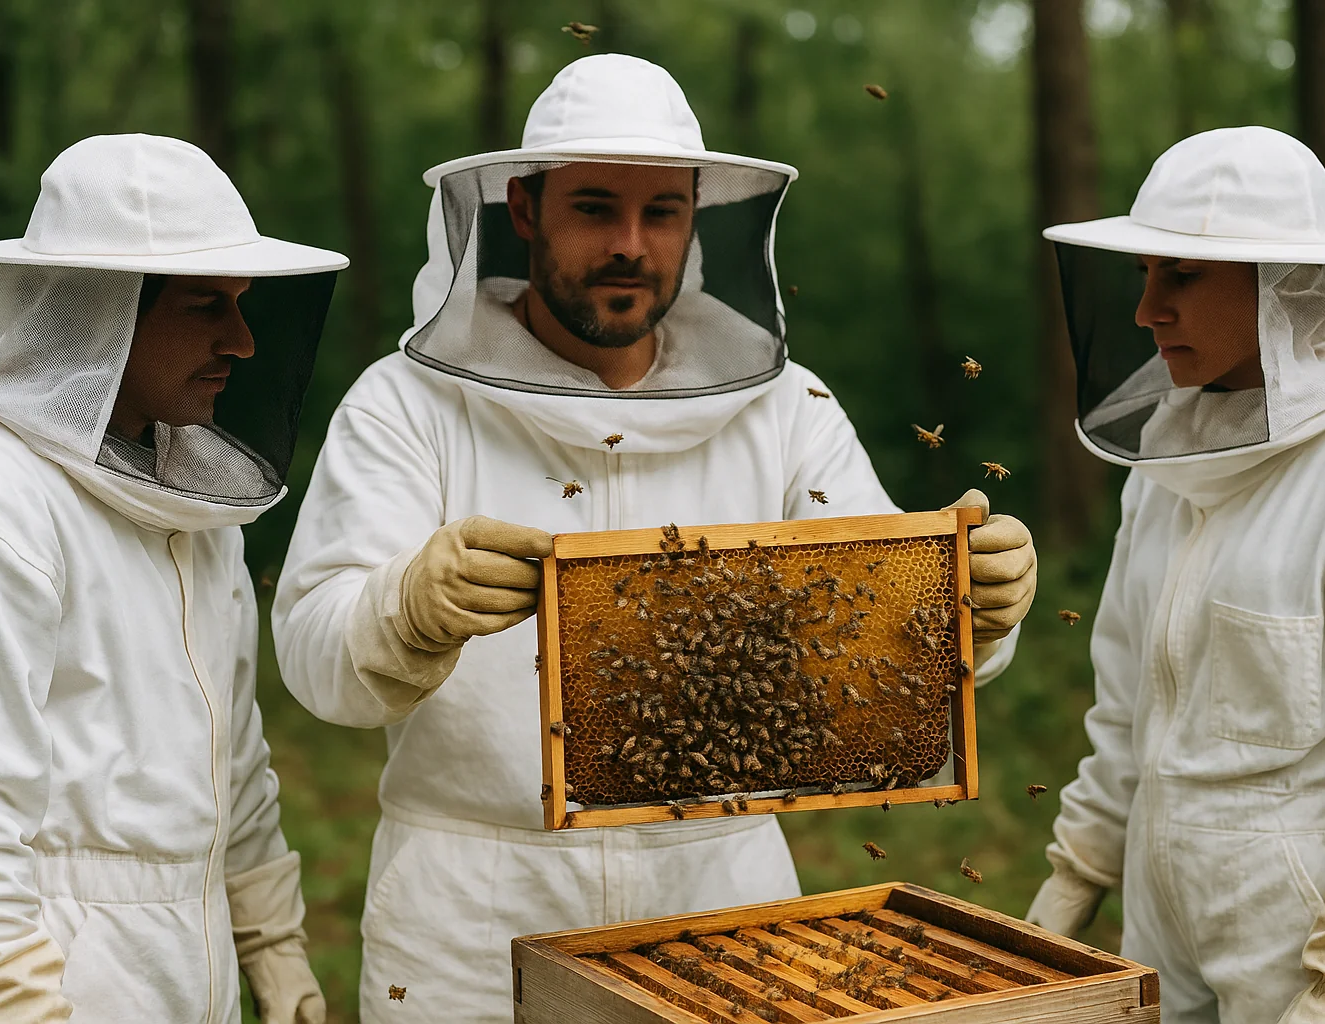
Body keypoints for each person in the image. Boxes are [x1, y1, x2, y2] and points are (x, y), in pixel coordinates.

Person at [272, 54, 1038, 1022]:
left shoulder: (785, 411)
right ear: (522, 207)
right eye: (594, 208)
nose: (630, 245)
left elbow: (889, 623)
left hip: (724, 908)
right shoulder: (409, 408)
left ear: (697, 218)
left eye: (661, 213)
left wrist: (979, 605)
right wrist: (406, 609)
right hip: (472, 924)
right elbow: (311, 650)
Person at [1026, 125, 1325, 1024]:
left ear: (1281, 283)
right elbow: (1127, 710)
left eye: (1180, 276)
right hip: (1161, 932)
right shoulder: (1168, 454)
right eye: (1145, 275)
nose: (1148, 310)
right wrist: (1077, 876)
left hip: (1317, 953)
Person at [0, 134, 346, 1023]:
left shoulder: (192, 503)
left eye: (240, 304)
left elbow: (231, 759)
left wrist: (270, 941)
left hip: (192, 979)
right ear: (98, 311)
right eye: (205, 306)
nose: (242, 340)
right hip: (53, 985)